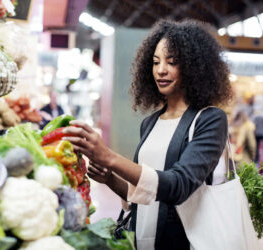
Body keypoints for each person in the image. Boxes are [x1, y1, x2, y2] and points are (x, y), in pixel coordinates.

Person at [62, 19, 232, 250]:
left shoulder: (209, 120)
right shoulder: (150, 122)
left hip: (181, 243)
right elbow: (140, 197)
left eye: (172, 62)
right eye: (155, 62)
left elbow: (178, 186)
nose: (161, 69)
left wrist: (108, 156)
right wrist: (110, 179)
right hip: (140, 240)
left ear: (194, 67)